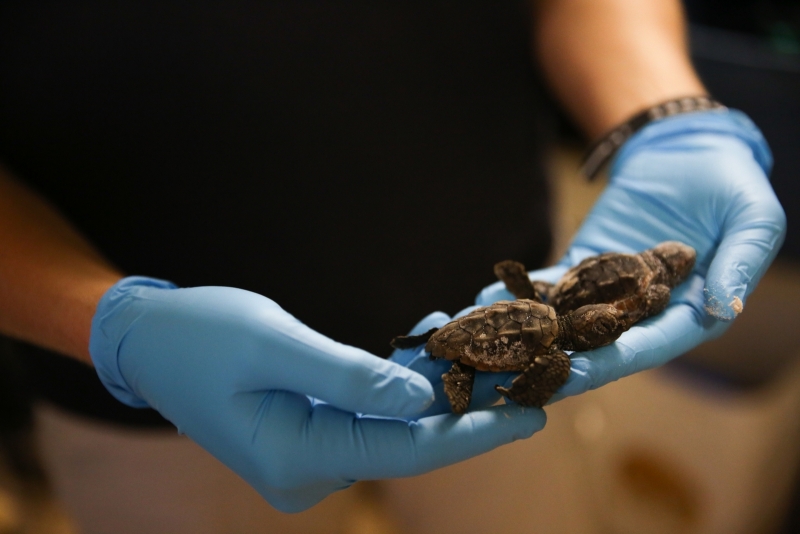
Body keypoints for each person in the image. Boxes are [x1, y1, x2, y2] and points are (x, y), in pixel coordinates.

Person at [0, 0, 785, 514]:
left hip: (484, 273)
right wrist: (111, 327)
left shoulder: (558, 309)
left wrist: (670, 114)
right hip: (161, 391)